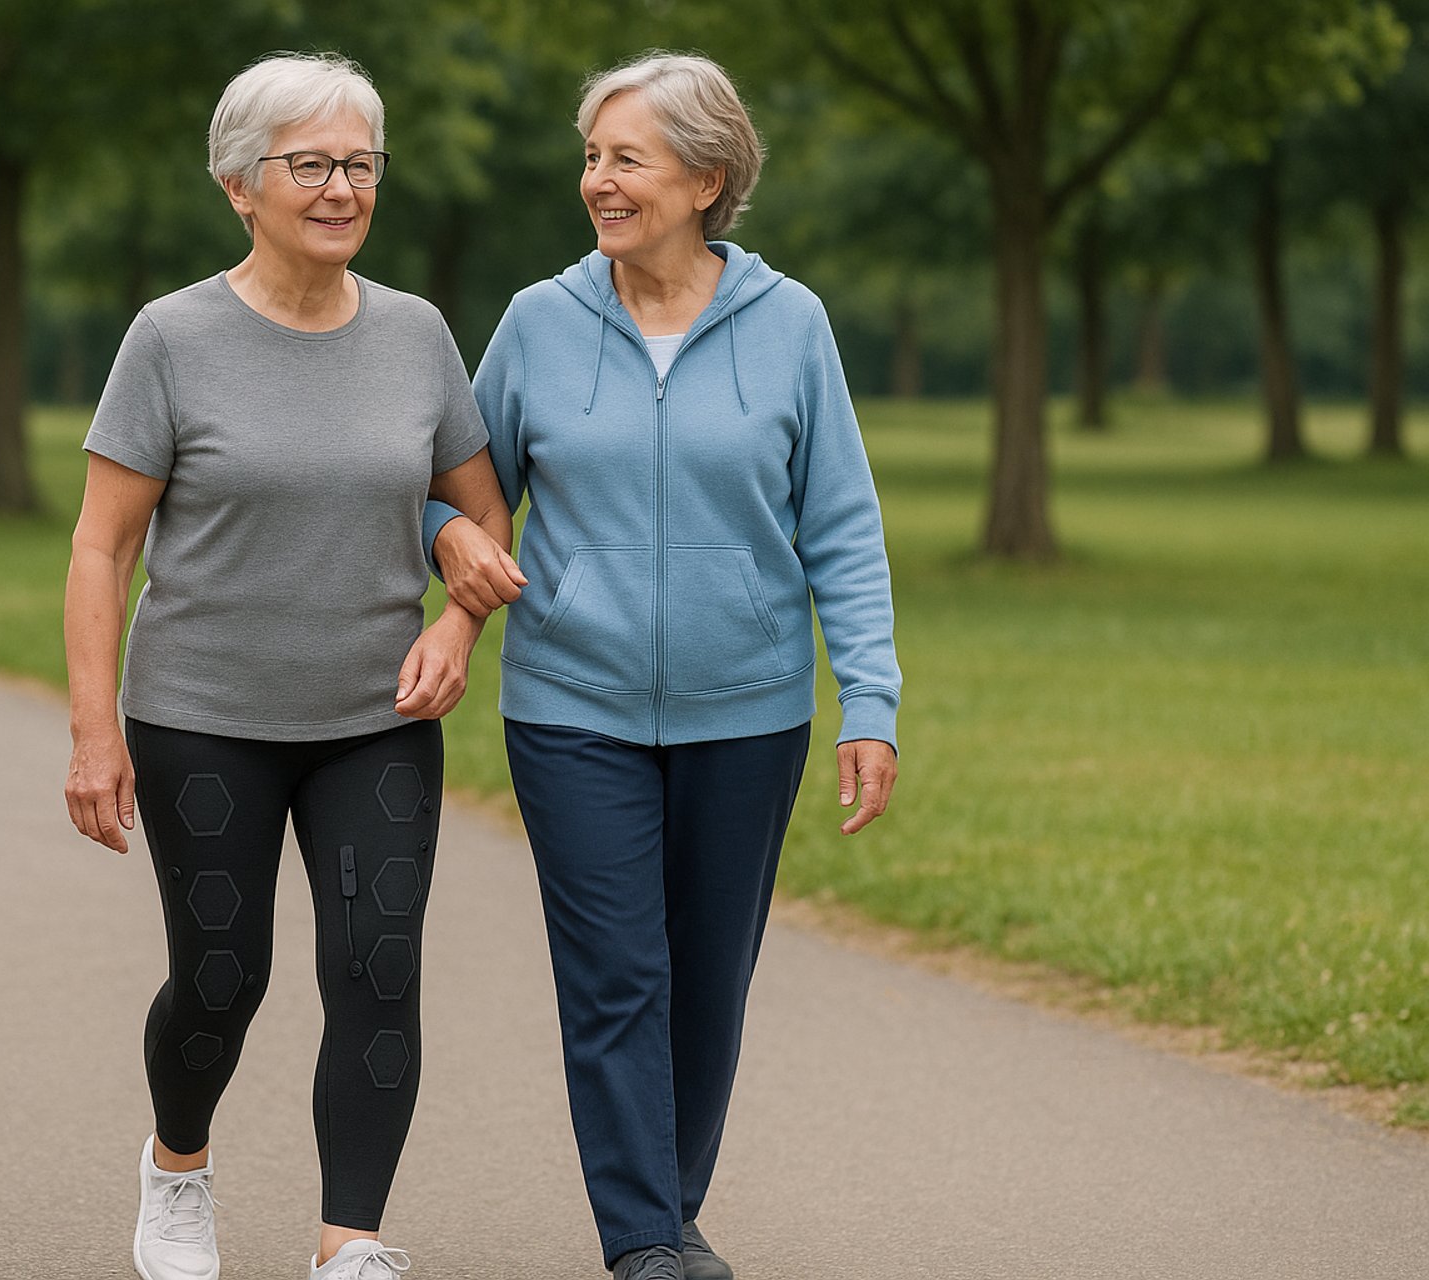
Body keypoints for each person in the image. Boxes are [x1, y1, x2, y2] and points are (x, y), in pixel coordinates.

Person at [424, 52, 901, 1280]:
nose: (598, 180)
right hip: (570, 705)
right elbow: (457, 488)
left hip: (749, 710)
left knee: (707, 979)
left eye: (626, 158)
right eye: (591, 157)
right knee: (617, 976)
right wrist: (446, 540)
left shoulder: (791, 324)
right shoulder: (538, 321)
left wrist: (871, 698)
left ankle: (670, 1208)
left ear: (706, 178)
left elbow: (842, 526)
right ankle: (642, 1240)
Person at [62, 52, 512, 1280]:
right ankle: (178, 1162)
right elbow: (102, 547)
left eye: (360, 164)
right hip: (203, 714)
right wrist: (95, 733)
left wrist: (456, 621)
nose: (341, 188)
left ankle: (349, 1241)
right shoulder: (171, 337)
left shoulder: (417, 334)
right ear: (238, 185)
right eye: (309, 164)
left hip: (377, 714)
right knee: (222, 976)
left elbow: (480, 512)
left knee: (378, 964)